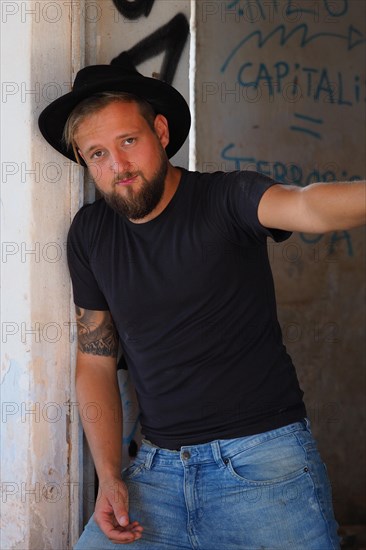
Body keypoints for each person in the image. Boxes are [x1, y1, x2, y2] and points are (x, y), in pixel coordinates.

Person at [38, 54, 365, 549]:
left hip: (263, 466)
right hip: (158, 472)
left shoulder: (226, 199)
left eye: (128, 141)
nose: (118, 166)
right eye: (97, 154)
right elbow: (96, 362)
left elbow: (305, 204)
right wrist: (109, 475)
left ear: (161, 133)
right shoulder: (90, 233)